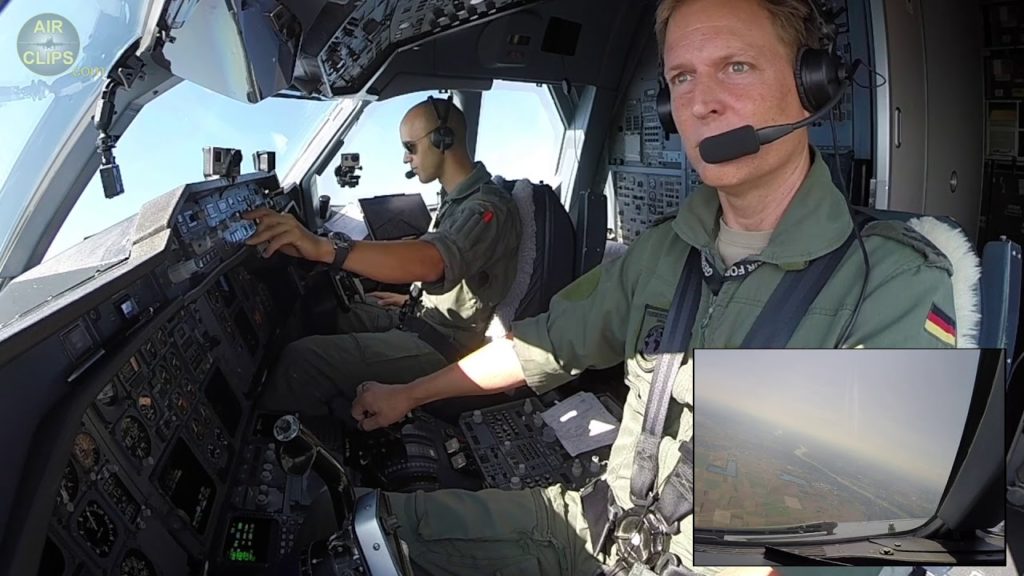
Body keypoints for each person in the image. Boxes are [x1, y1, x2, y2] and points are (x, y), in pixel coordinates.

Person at [340, 0, 965, 575]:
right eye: (682, 78)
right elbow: (545, 344)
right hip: (602, 525)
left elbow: (835, 551)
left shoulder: (898, 285)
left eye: (736, 66)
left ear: (813, 85)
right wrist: (409, 394)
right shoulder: (664, 252)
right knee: (366, 534)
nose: (700, 103)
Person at [248, 95, 522, 426]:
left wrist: (324, 248)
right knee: (325, 310)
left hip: (444, 347)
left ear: (442, 139)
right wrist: (411, 299)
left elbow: (434, 260)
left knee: (303, 360)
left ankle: (271, 450)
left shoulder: (486, 209)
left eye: (410, 146)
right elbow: (467, 283)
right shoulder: (455, 203)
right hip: (422, 319)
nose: (406, 158)